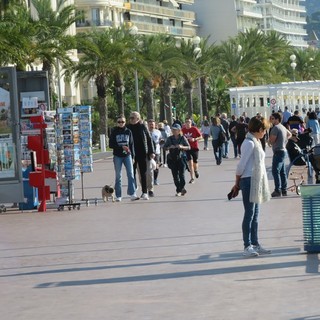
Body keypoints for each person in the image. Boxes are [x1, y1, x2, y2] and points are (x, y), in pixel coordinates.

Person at [231, 116, 271, 257]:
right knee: (249, 214)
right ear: (260, 129)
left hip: (255, 180)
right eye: (264, 130)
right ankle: (247, 245)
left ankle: (255, 243)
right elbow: (241, 166)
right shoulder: (250, 143)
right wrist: (237, 184)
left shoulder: (256, 141)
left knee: (255, 215)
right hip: (248, 180)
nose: (265, 133)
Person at [109, 115, 139, 202]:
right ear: (117, 122)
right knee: (118, 176)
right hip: (117, 156)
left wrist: (132, 156)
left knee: (131, 174)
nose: (121, 123)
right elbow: (111, 145)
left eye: (122, 122)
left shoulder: (128, 131)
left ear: (125, 122)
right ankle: (118, 195)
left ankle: (132, 193)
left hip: (127, 155)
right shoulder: (114, 131)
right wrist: (121, 147)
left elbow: (132, 144)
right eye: (119, 122)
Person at [127, 111, 155, 200]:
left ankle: (144, 192)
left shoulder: (143, 127)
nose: (131, 119)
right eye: (130, 117)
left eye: (133, 118)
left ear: (138, 119)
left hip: (142, 152)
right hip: (131, 154)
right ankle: (133, 192)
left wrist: (151, 152)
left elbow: (149, 139)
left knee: (143, 173)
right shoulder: (127, 128)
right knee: (132, 173)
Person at [163, 123, 190, 196]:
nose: (174, 131)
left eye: (175, 130)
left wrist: (181, 147)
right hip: (173, 159)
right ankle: (179, 190)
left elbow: (188, 147)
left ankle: (182, 188)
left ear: (179, 130)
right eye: (173, 130)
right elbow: (164, 148)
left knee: (182, 175)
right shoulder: (169, 138)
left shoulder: (183, 138)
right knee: (175, 176)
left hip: (181, 158)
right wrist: (169, 147)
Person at [269, 112, 292, 197]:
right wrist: (285, 140)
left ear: (277, 119)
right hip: (283, 150)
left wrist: (269, 141)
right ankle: (284, 189)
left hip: (278, 151)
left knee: (275, 171)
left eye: (272, 119)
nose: (271, 120)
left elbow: (272, 140)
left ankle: (277, 190)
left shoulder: (275, 128)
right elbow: (290, 134)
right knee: (282, 172)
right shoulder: (283, 127)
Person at [182, 117, 202, 183]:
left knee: (195, 161)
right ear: (185, 123)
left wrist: (194, 139)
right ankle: (192, 178)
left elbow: (201, 137)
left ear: (191, 123)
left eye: (189, 122)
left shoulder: (194, 129)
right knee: (190, 163)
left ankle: (196, 170)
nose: (187, 123)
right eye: (186, 122)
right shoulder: (183, 130)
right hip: (187, 148)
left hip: (194, 148)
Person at [147, 119, 162, 196]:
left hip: (157, 151)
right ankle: (150, 182)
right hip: (148, 152)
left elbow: (160, 139)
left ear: (155, 124)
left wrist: (161, 142)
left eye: (152, 124)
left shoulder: (158, 132)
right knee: (149, 167)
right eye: (149, 124)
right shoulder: (146, 132)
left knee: (156, 167)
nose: (151, 125)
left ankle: (155, 179)